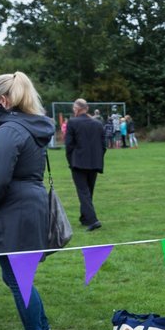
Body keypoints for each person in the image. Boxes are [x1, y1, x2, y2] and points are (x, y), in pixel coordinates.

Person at [0, 72, 59, 330]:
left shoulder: (9, 130)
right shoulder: (22, 126)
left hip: (14, 209)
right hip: (25, 206)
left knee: (18, 279)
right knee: (18, 277)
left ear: (4, 99)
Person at [64, 98, 106, 232]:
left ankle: (93, 220)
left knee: (83, 192)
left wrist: (71, 161)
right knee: (88, 191)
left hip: (79, 162)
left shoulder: (72, 122)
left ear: (76, 109)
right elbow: (103, 146)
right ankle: (85, 218)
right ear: (86, 109)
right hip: (94, 162)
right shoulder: (98, 124)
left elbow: (69, 145)